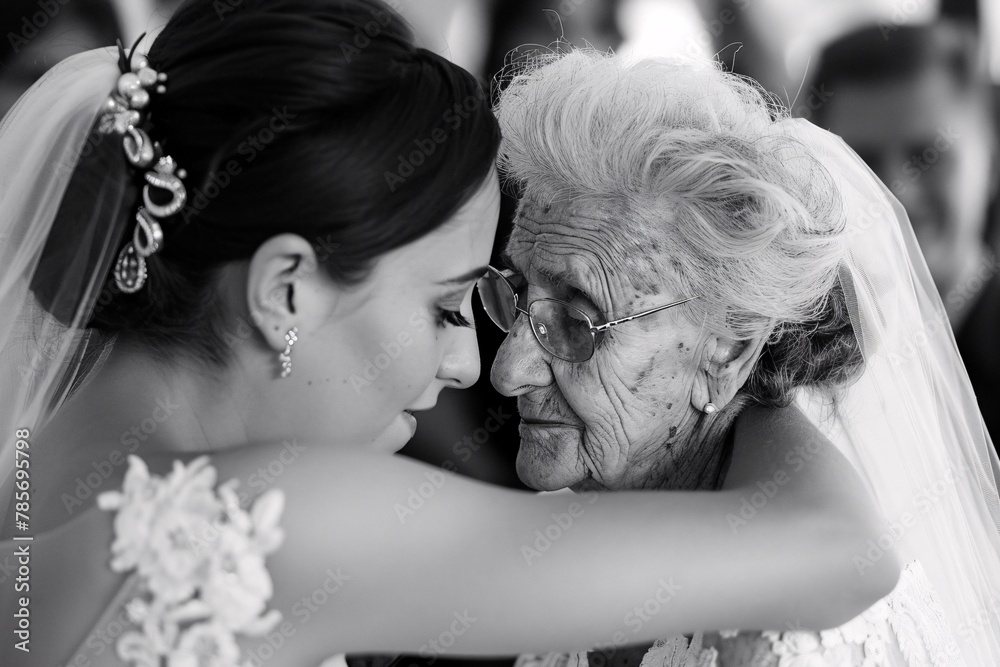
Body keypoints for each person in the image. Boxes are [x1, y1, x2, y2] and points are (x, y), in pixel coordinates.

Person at [0, 1, 902, 665]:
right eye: (447, 305)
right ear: (283, 289)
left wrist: (726, 335)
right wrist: (753, 353)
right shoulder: (270, 528)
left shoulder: (31, 475)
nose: (481, 365)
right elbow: (844, 550)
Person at [478, 50, 1000, 665]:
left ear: (728, 346)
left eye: (579, 319)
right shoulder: (573, 526)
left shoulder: (799, 639)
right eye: (514, 297)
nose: (507, 371)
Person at [808, 21, 1000, 443]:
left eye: (927, 156)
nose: (896, 193)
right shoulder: (794, 372)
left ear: (991, 163)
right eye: (859, 162)